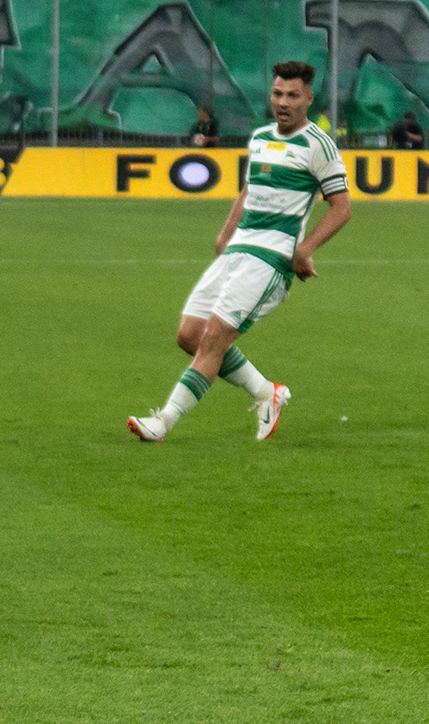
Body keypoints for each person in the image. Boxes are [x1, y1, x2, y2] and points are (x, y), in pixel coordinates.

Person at [127, 61, 351, 443]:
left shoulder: (319, 145)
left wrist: (304, 250)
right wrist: (225, 234)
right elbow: (250, 188)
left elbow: (342, 206)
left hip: (271, 258)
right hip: (239, 249)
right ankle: (267, 393)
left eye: (293, 95)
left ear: (308, 98)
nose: (283, 102)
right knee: (189, 334)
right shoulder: (262, 137)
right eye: (278, 93)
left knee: (214, 337)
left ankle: (163, 421)